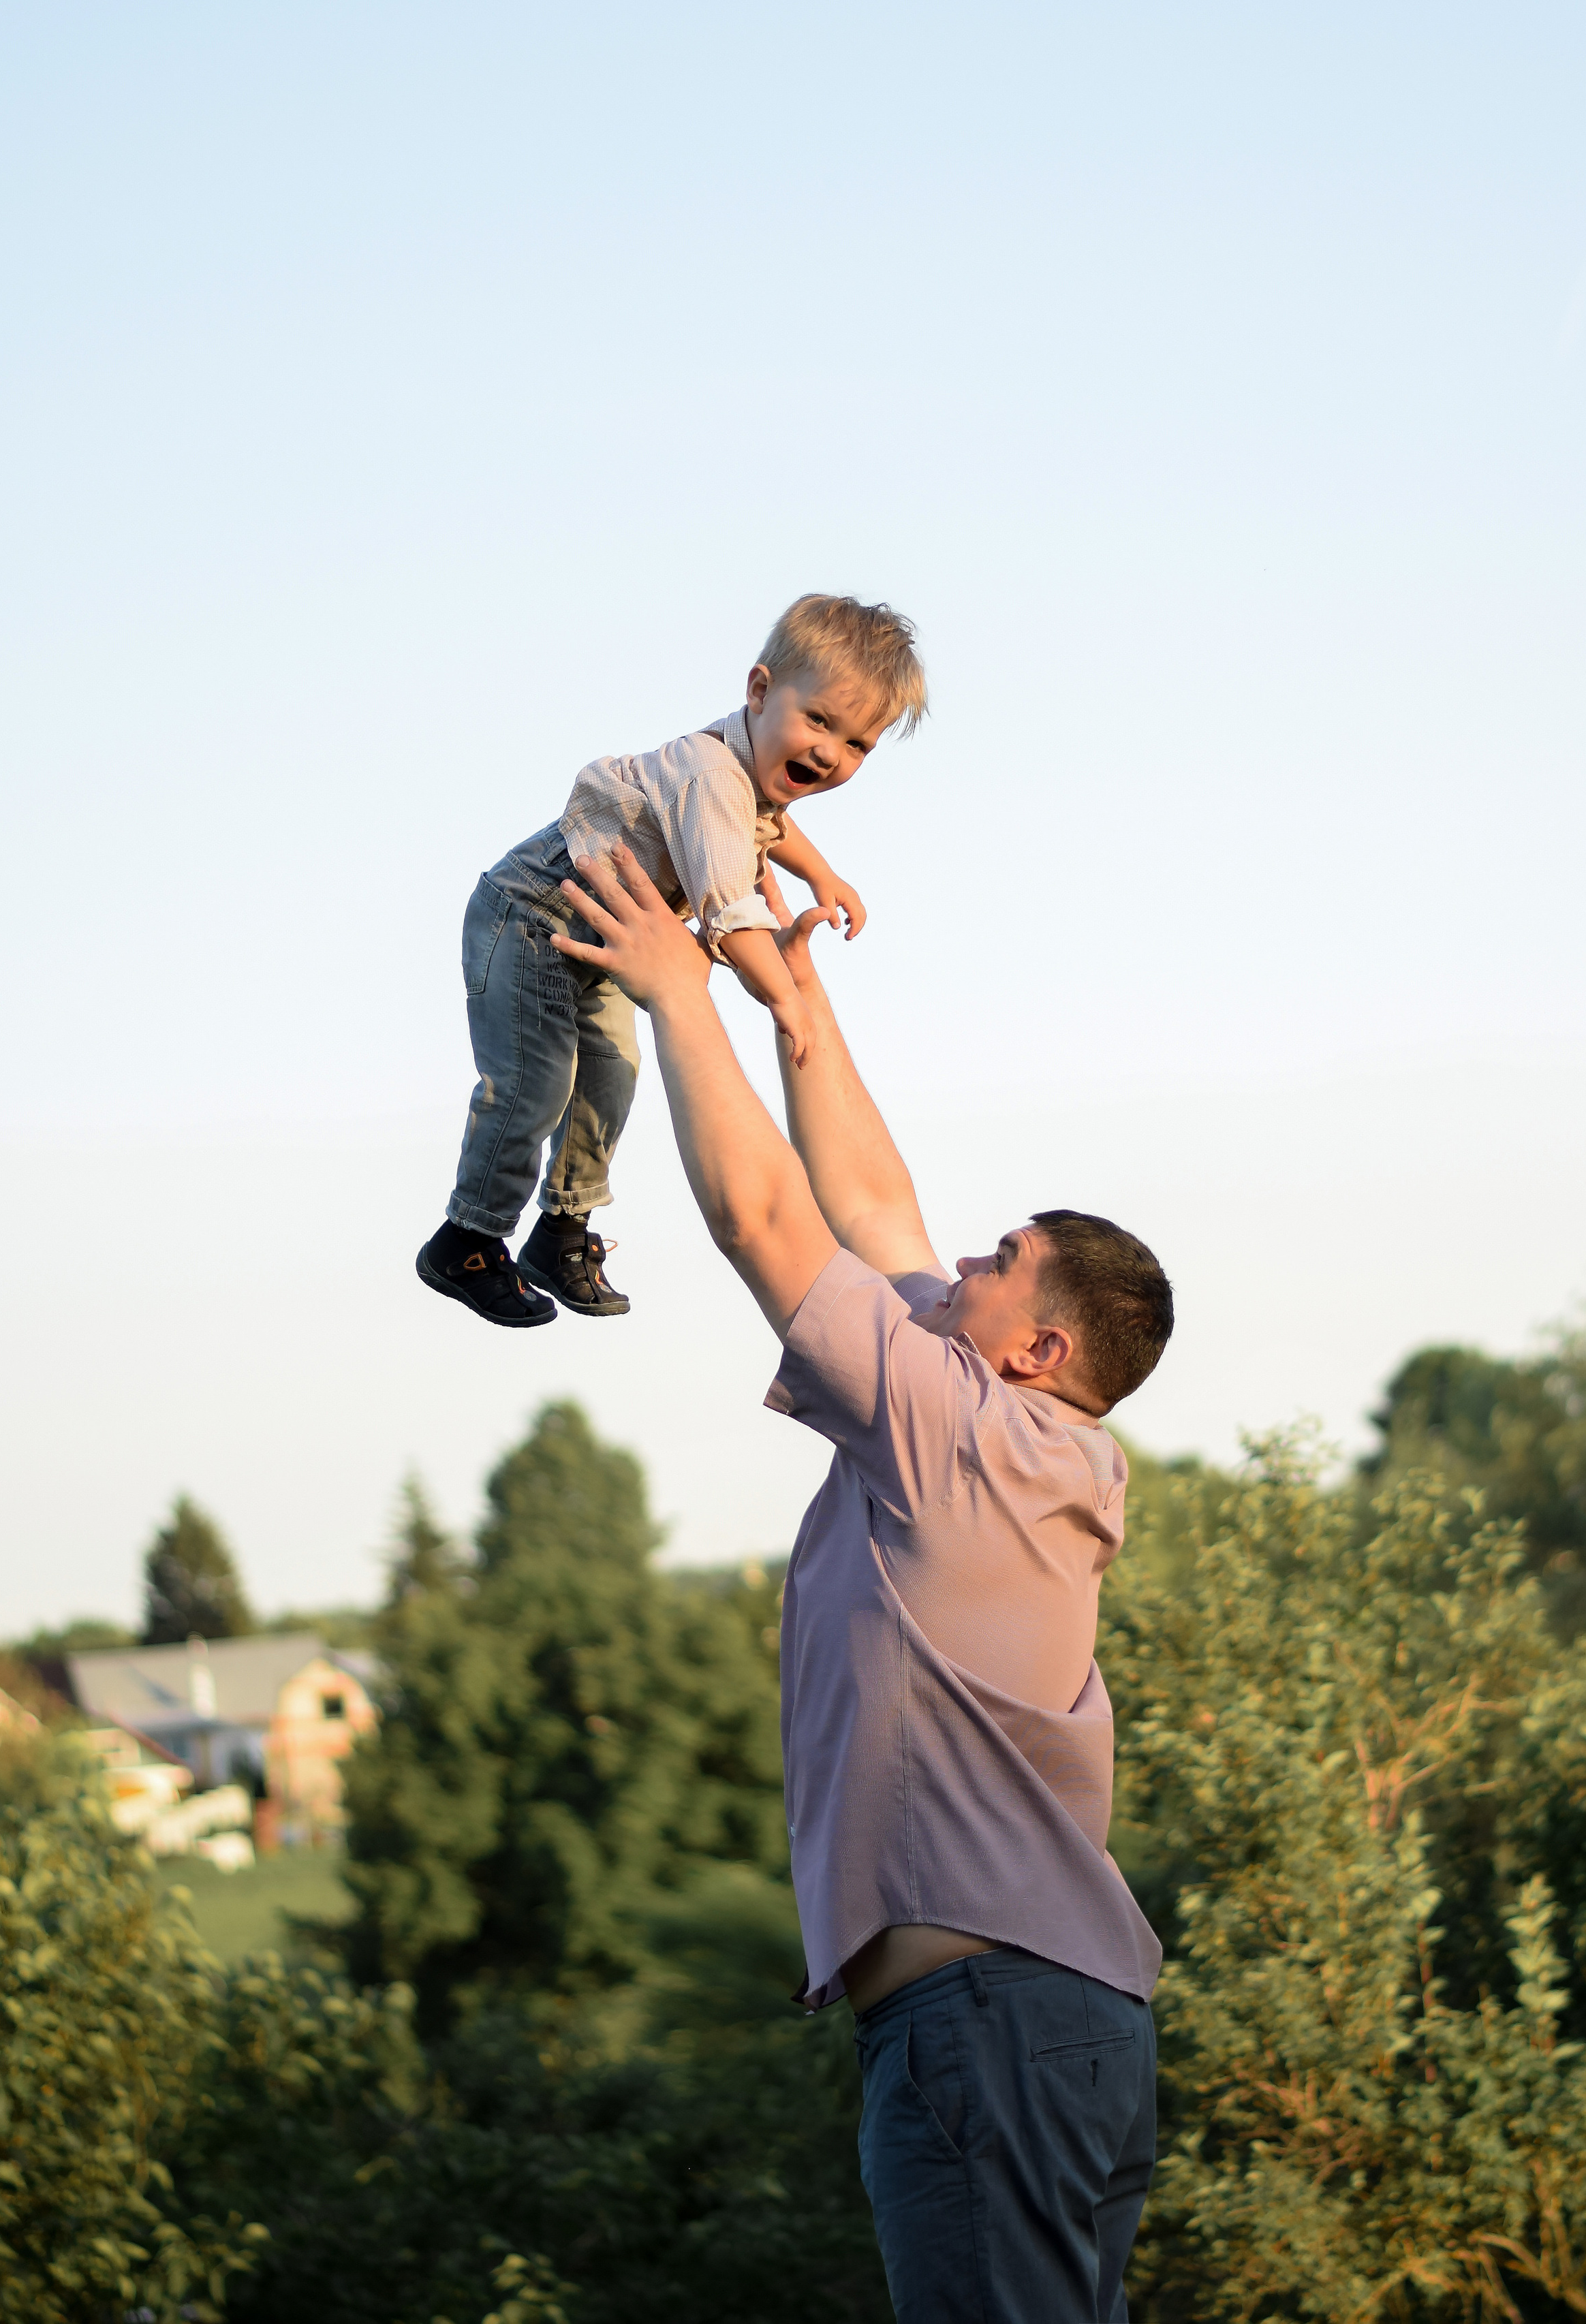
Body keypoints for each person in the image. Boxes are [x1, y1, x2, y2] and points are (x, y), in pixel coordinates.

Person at [549, 841, 1175, 2323]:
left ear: (1038, 1348)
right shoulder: (1016, 1440)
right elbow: (875, 1209)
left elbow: (770, 1226)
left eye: (1001, 1257)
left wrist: (669, 991)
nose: (962, 1252)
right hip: (1057, 2021)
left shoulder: (956, 1433)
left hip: (983, 2029)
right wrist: (795, 1012)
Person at [414, 593, 927, 1328]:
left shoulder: (745, 773)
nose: (828, 753)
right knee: (535, 1084)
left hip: (603, 938)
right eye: (818, 721)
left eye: (856, 745)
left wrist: (821, 874)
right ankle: (468, 1238)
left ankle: (560, 1232)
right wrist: (784, 996)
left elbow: (766, 824)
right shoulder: (710, 775)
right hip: (529, 917)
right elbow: (730, 906)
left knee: (613, 1079)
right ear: (758, 690)